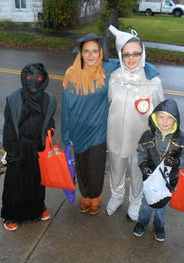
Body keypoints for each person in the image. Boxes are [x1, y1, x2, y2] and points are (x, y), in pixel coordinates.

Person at [106, 25, 165, 221]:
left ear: (143, 53)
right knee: (116, 169)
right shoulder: (113, 77)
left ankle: (135, 200)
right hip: (115, 135)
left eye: (136, 53)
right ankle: (116, 195)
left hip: (139, 137)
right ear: (120, 55)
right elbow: (108, 102)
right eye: (126, 54)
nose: (131, 58)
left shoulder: (152, 80)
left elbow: (160, 111)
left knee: (137, 171)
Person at [61, 33, 120, 215]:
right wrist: (66, 134)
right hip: (77, 129)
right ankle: (84, 196)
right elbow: (65, 106)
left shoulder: (107, 71)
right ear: (80, 53)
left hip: (98, 130)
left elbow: (132, 62)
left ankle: (95, 197)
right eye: (86, 51)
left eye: (95, 51)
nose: (91, 55)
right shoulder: (70, 74)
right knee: (81, 167)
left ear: (101, 52)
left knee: (96, 167)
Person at [1, 63, 57, 231]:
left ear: (44, 80)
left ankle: (38, 209)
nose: (33, 82)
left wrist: (50, 130)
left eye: (38, 79)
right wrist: (11, 152)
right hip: (19, 145)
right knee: (16, 182)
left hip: (38, 145)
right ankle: (11, 215)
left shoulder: (48, 99)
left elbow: (49, 121)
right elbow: (9, 127)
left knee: (38, 180)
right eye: (29, 78)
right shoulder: (14, 100)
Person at [133, 98, 184, 242]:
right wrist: (143, 165)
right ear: (155, 117)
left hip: (169, 182)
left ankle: (159, 225)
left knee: (161, 207)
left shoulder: (182, 139)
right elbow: (141, 152)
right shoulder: (147, 136)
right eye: (161, 117)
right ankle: (142, 222)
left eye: (169, 118)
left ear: (176, 121)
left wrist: (178, 162)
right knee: (146, 204)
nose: (165, 121)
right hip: (149, 180)